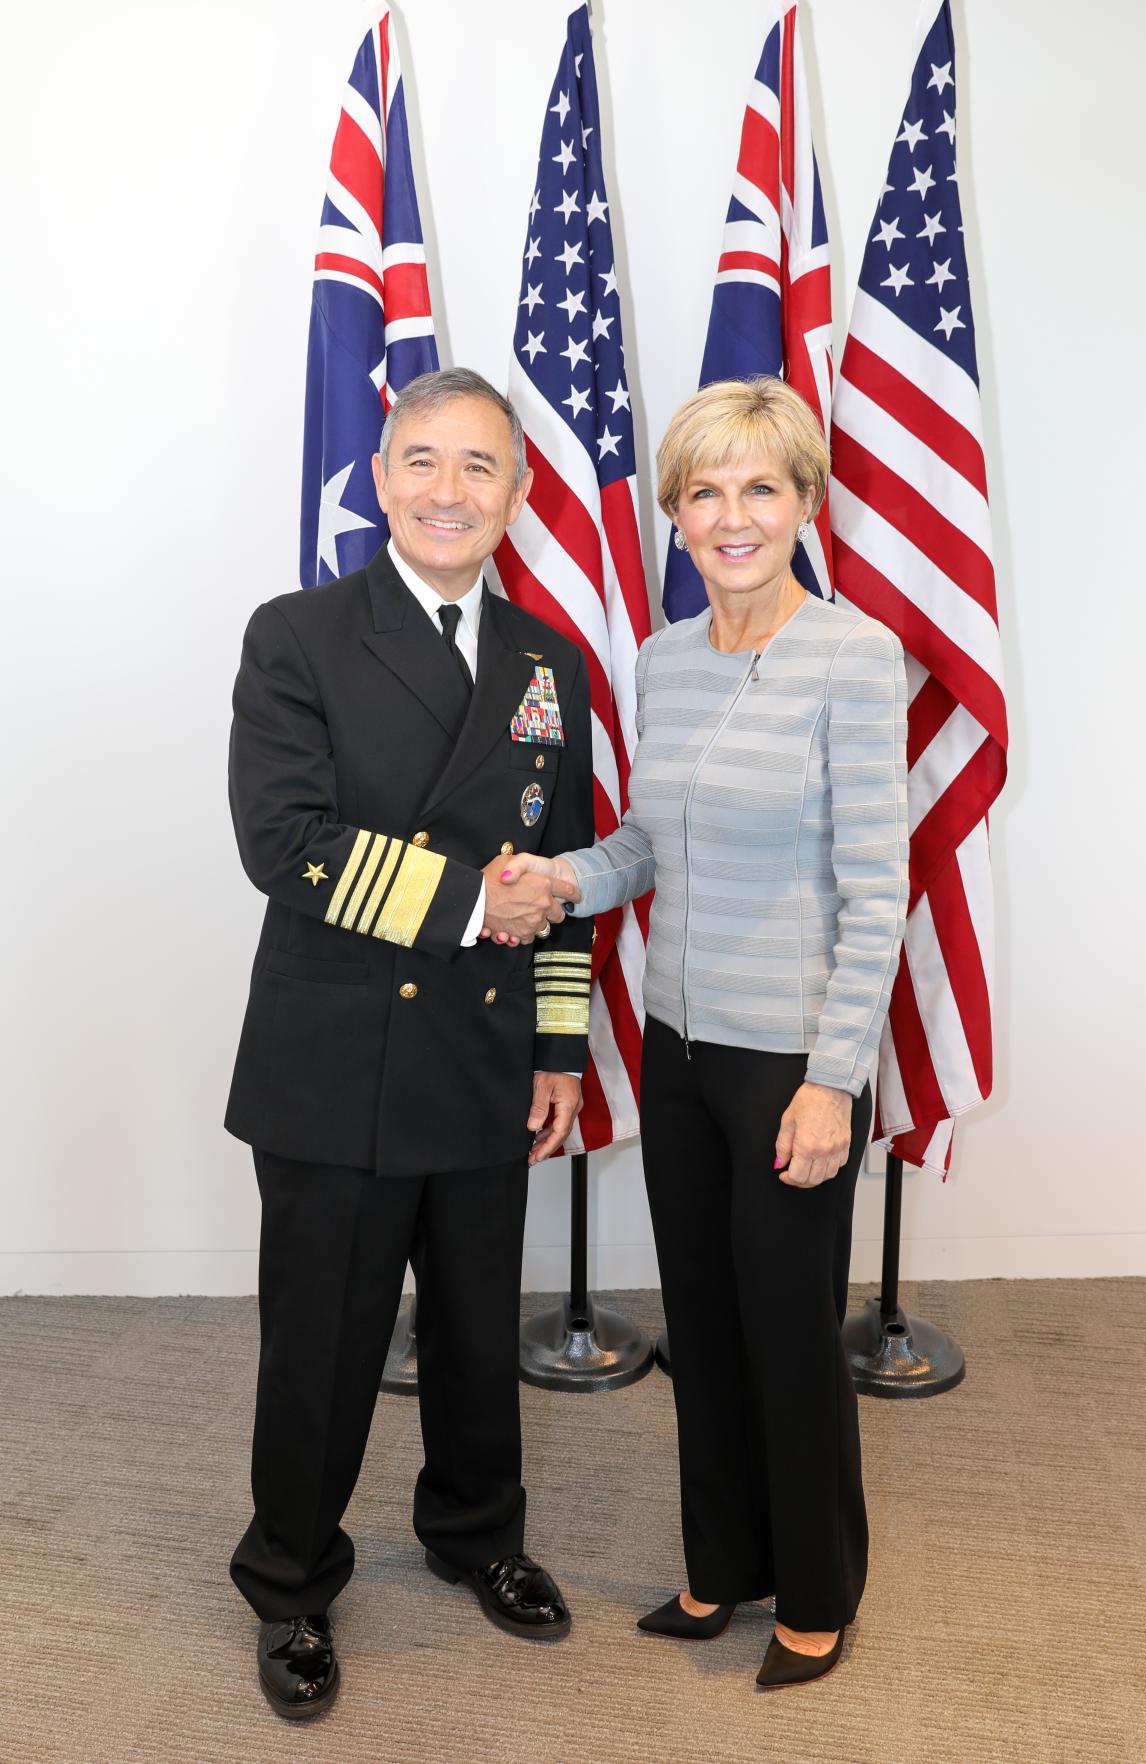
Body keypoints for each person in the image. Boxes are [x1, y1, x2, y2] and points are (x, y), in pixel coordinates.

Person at [503, 378, 909, 1689]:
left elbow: (877, 889)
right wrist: (564, 878)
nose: (732, 516)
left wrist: (833, 1083)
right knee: (706, 1320)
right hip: (679, 1052)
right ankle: (721, 1565)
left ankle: (818, 1588)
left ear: (804, 502)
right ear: (677, 511)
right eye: (706, 491)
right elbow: (646, 848)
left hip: (790, 1062)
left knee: (790, 1327)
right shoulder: (663, 661)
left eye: (762, 487)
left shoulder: (852, 657)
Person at [224, 368, 593, 1720]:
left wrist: (561, 1048)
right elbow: (285, 844)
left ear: (516, 494)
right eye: (422, 462)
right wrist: (464, 900)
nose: (449, 490)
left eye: (479, 467)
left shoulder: (551, 664)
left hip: (489, 1057)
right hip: (338, 1058)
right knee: (323, 1341)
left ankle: (477, 1533)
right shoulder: (301, 635)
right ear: (379, 480)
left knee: (477, 1323)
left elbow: (560, 874)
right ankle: (291, 1579)